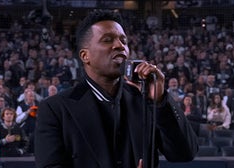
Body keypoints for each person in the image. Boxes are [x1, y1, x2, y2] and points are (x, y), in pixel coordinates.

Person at [34, 10, 198, 168]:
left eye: (123, 41)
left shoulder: (144, 100)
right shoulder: (55, 108)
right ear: (85, 56)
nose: (119, 46)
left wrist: (161, 101)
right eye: (107, 40)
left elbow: (184, 153)